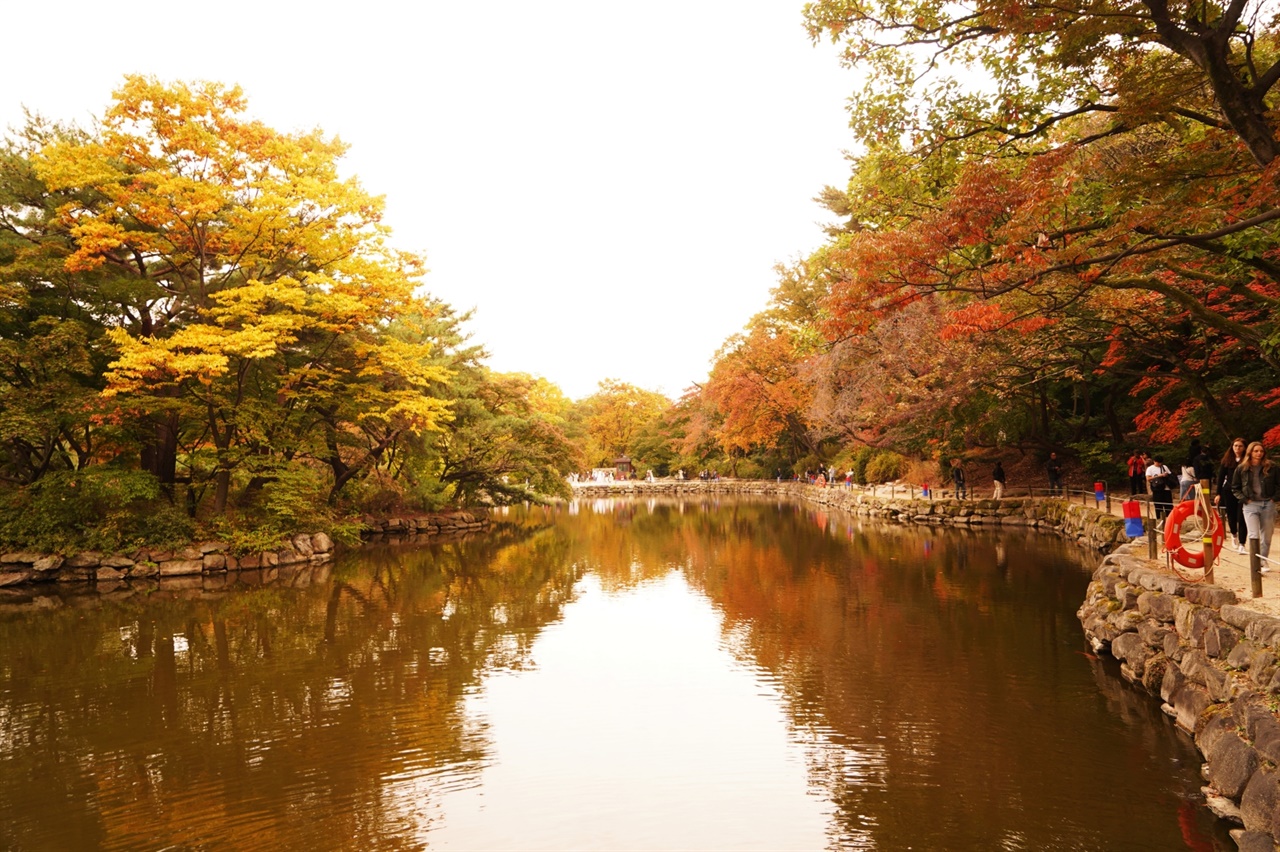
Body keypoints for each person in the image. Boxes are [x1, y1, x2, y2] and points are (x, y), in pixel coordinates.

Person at [1232, 440, 1280, 564]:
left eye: (1261, 451)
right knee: (1253, 535)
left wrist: (1274, 498)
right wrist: (1244, 499)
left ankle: (1262, 560)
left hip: (1267, 503)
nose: (1259, 453)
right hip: (1250, 504)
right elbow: (1235, 487)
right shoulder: (1242, 468)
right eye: (1256, 451)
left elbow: (1278, 484)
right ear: (1250, 452)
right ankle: (1255, 562)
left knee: (1267, 536)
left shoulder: (1272, 467)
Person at [1215, 438, 1248, 553]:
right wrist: (1218, 493)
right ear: (1232, 447)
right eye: (1235, 446)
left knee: (1242, 516)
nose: (1237, 448)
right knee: (1231, 515)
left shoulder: (1247, 460)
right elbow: (1220, 477)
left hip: (1243, 491)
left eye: (1240, 446)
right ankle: (1234, 534)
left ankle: (1242, 543)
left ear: (1244, 448)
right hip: (1229, 490)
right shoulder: (1227, 460)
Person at [1146, 455, 1174, 521]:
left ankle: (1170, 519)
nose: (1159, 464)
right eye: (1158, 463)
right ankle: (1159, 520)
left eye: (1160, 463)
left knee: (1168, 506)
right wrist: (1158, 476)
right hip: (1157, 489)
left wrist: (1166, 475)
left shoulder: (1164, 467)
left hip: (1166, 488)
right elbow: (1148, 478)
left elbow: (1170, 475)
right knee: (1158, 506)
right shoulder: (1150, 468)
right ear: (1154, 461)